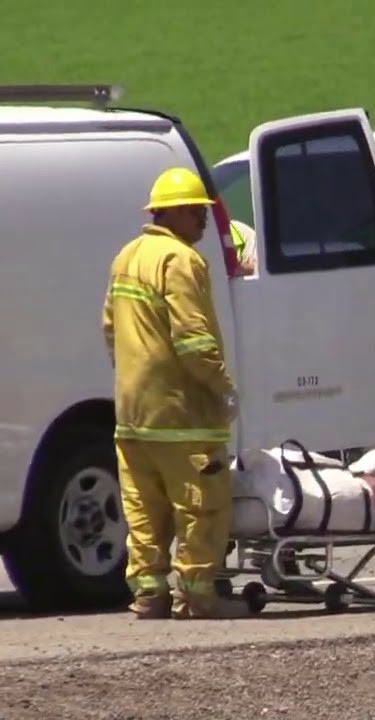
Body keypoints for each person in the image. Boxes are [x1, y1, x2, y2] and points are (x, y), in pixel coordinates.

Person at [103, 167, 248, 619]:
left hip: (133, 416)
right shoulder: (181, 261)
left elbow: (111, 329)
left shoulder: (127, 256)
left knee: (144, 513)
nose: (203, 223)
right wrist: (222, 387)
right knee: (200, 508)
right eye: (197, 214)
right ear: (175, 213)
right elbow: (193, 339)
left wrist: (135, 374)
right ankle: (198, 596)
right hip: (181, 416)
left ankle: (148, 595)